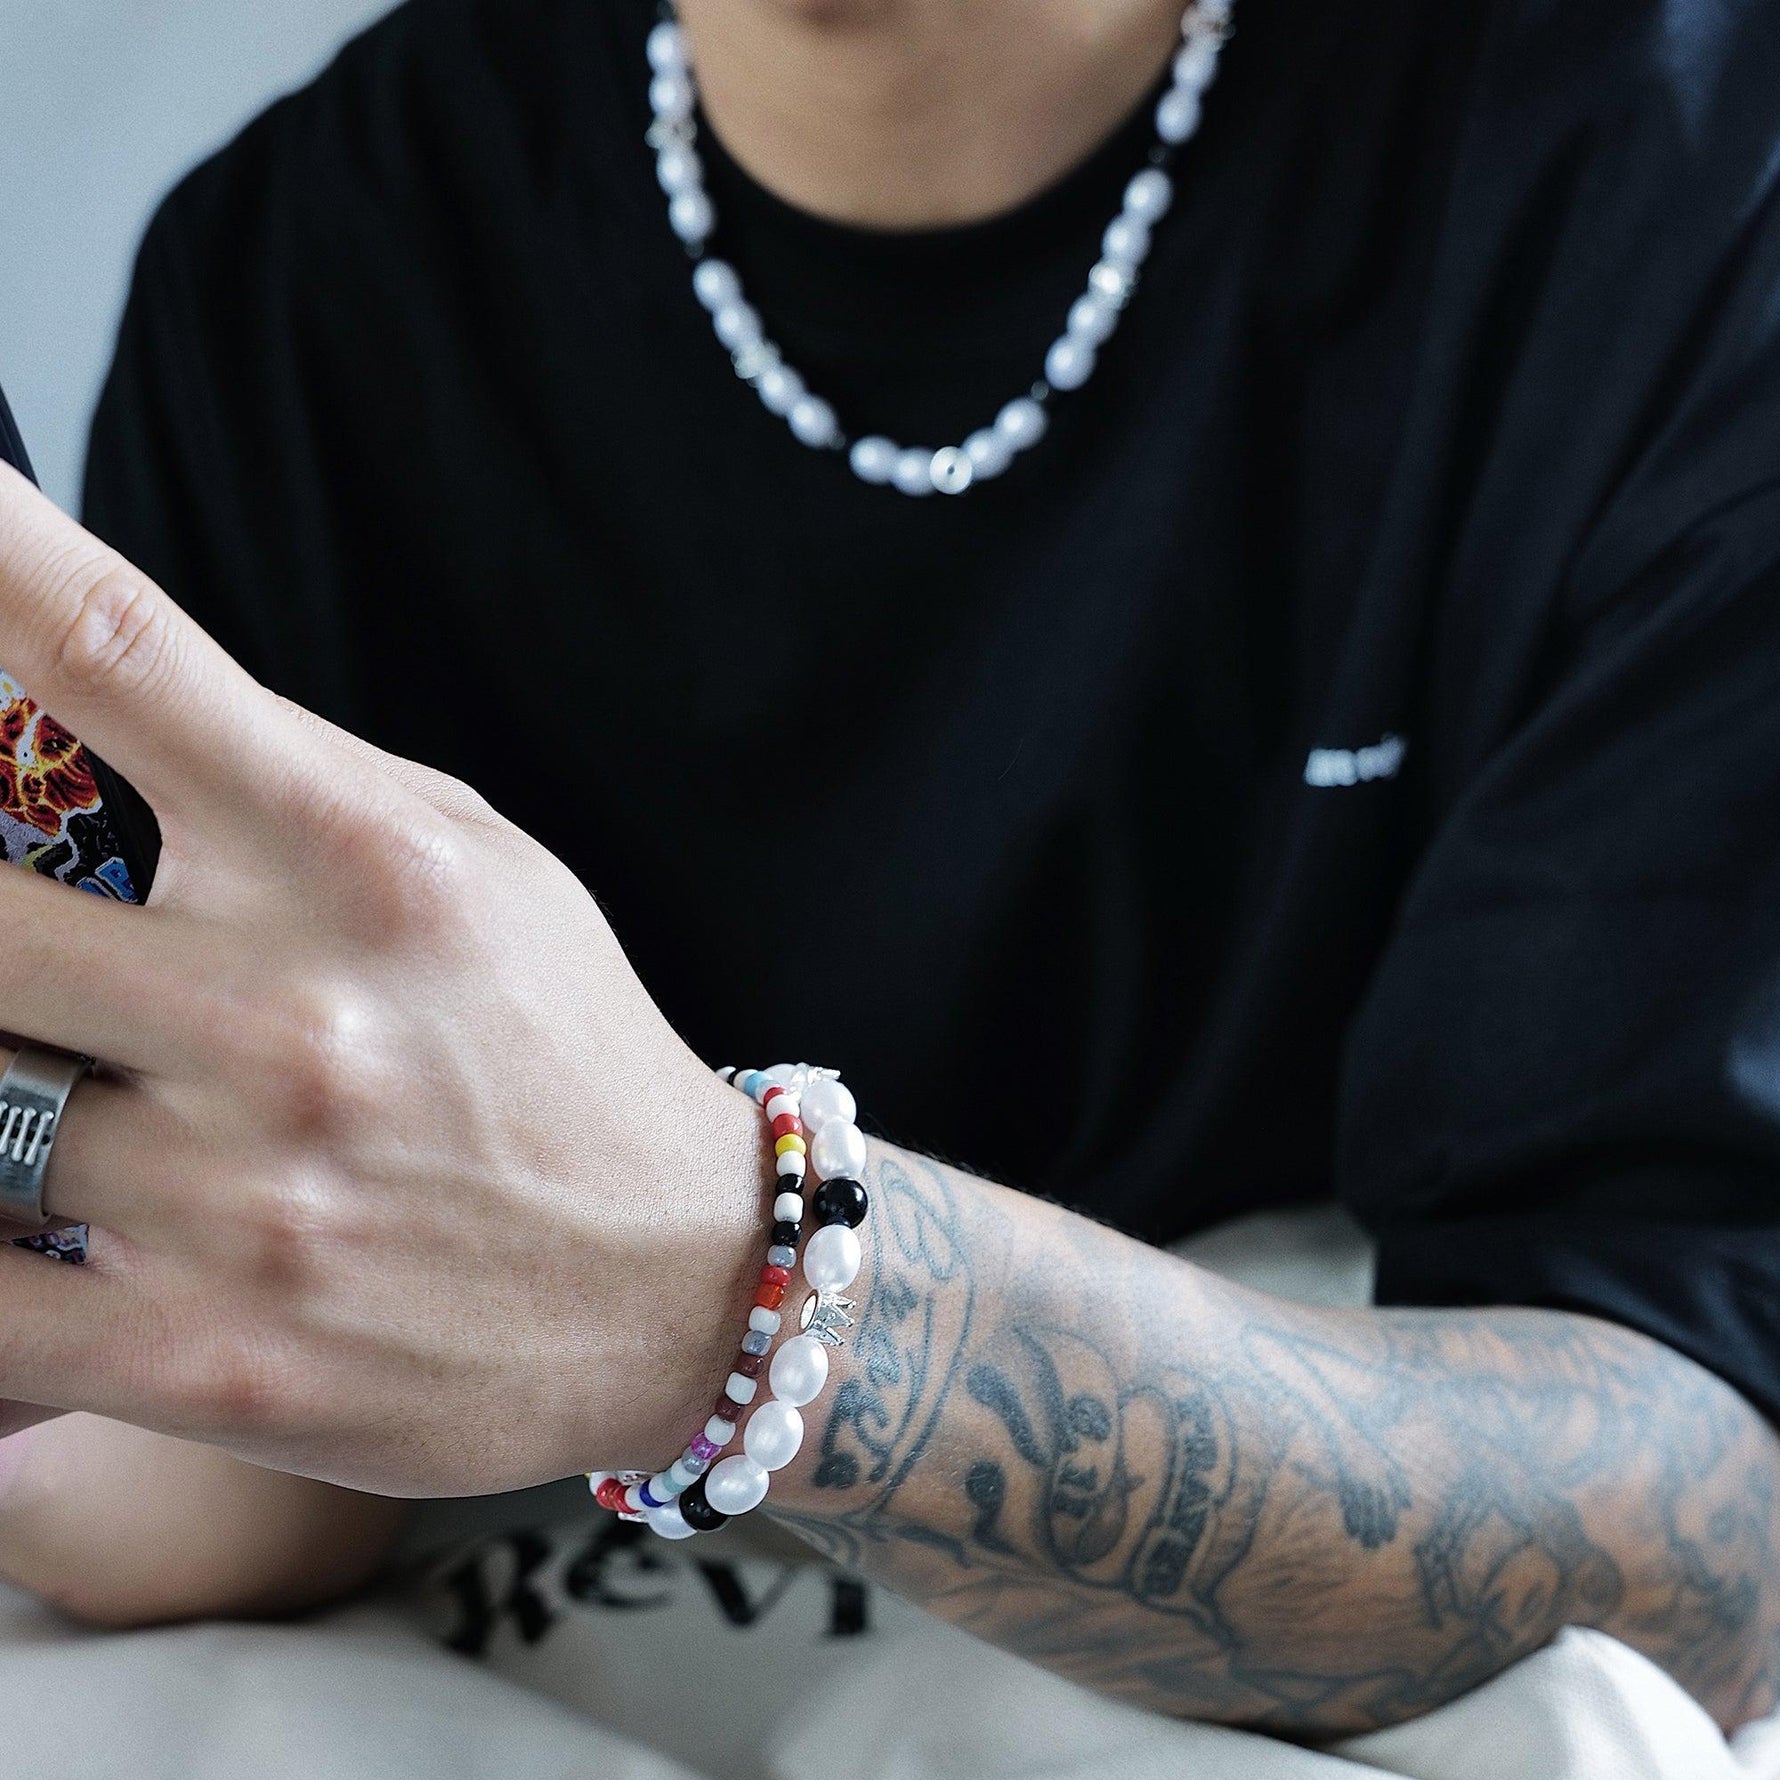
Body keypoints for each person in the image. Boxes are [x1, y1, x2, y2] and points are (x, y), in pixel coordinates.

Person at [2, 0, 1780, 1742]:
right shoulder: (309, 257)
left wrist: (725, 1294)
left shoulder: (1669, 174)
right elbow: (249, 1482)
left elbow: (1718, 1557)